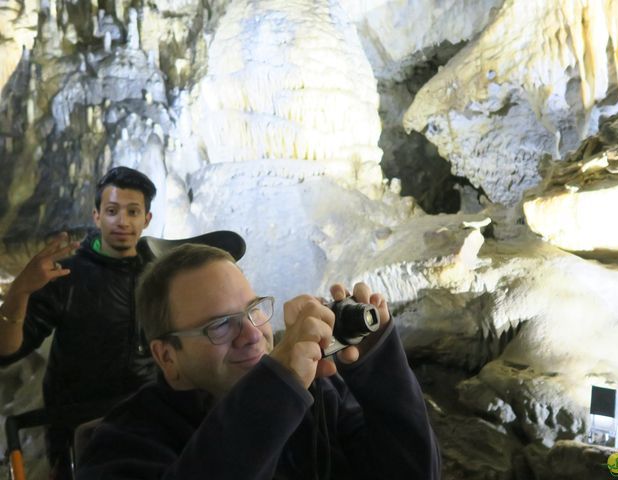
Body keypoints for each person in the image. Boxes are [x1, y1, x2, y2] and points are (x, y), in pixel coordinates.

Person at [76, 243, 441, 479]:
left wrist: (378, 367)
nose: (252, 334)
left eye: (253, 310)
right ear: (167, 356)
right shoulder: (121, 444)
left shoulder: (321, 396)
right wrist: (274, 390)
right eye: (219, 325)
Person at [0, 166, 159, 479]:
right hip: (76, 428)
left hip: (146, 419)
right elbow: (8, 350)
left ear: (146, 219)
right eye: (112, 211)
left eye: (133, 211)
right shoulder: (66, 277)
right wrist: (20, 291)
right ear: (97, 216)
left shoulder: (158, 274)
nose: (123, 222)